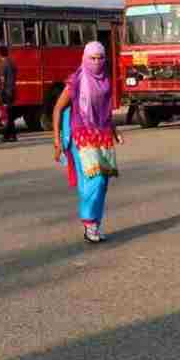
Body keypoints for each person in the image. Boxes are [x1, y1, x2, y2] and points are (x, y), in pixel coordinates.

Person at [51, 42, 120, 243]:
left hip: (102, 136)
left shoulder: (106, 80)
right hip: (81, 136)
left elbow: (104, 111)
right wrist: (57, 141)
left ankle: (95, 225)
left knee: (103, 183)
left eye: (100, 58)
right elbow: (57, 109)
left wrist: (114, 131)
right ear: (84, 58)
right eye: (92, 58)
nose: (96, 62)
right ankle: (89, 222)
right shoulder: (76, 81)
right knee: (94, 180)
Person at [0, 45, 19, 142]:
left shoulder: (3, 65)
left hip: (6, 92)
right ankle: (12, 135)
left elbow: (2, 80)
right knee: (10, 114)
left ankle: (7, 135)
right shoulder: (12, 63)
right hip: (13, 90)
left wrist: (1, 93)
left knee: (7, 115)